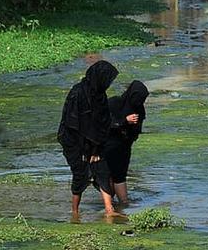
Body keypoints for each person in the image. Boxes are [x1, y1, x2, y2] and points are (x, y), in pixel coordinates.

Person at [58, 60, 124, 217]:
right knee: (80, 175)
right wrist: (84, 151)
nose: (108, 84)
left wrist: (96, 149)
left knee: (103, 171)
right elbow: (73, 124)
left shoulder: (100, 95)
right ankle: (75, 212)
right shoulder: (77, 94)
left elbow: (102, 123)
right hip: (75, 143)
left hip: (95, 144)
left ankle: (109, 210)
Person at [104, 80, 148, 206]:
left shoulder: (139, 109)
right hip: (109, 145)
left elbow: (137, 129)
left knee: (119, 175)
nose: (139, 102)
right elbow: (104, 124)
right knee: (111, 175)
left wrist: (133, 128)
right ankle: (116, 204)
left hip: (124, 146)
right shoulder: (114, 103)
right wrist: (124, 121)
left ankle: (120, 204)